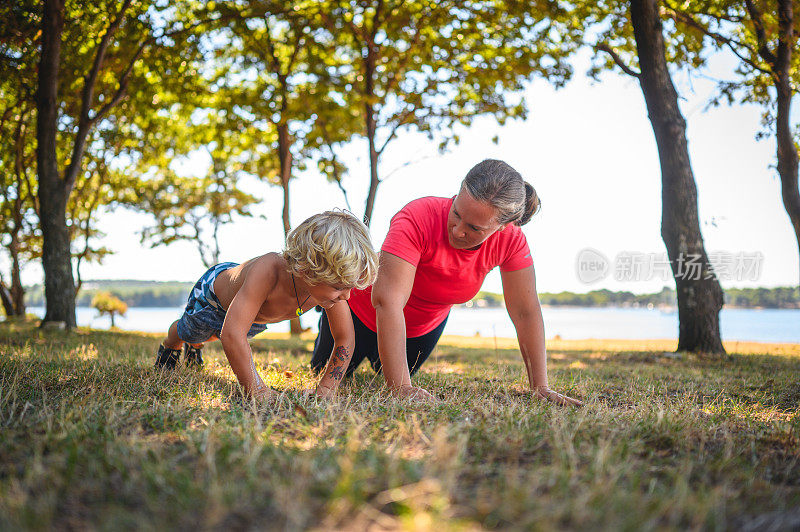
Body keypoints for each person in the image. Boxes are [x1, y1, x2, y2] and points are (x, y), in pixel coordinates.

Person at [311, 159, 582, 405]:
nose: (458, 230)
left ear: (502, 226)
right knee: (321, 370)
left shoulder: (511, 240)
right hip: (358, 312)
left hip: (419, 329)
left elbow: (525, 312)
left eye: (475, 228)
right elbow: (387, 301)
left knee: (387, 372)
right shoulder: (418, 216)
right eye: (456, 213)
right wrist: (401, 387)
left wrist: (540, 386)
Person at [155, 210, 378, 399]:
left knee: (214, 335)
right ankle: (172, 345)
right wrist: (258, 390)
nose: (347, 296)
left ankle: (197, 346)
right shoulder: (267, 271)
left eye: (349, 287)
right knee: (191, 331)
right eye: (339, 287)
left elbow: (345, 338)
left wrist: (327, 389)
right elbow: (232, 335)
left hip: (253, 316)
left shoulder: (332, 293)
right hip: (214, 297)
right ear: (306, 271)